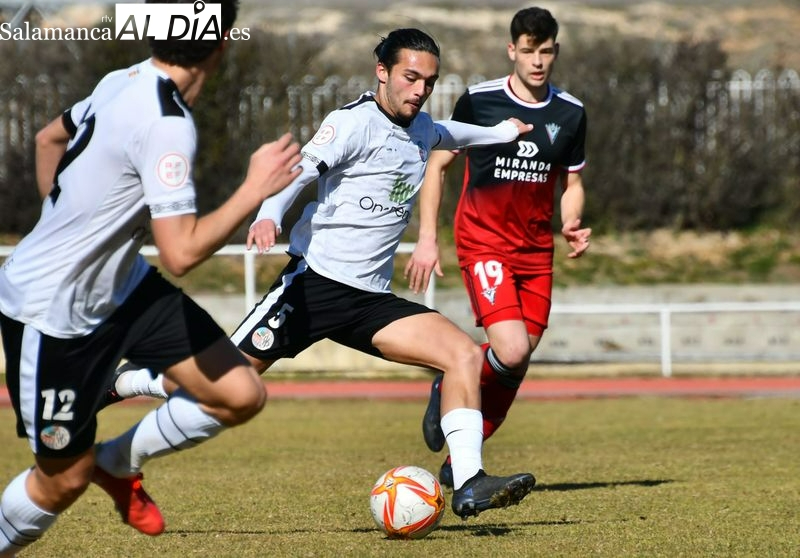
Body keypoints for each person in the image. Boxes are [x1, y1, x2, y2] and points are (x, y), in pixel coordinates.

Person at [101, 27, 537, 522]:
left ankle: (469, 481)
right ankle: (129, 381)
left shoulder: (421, 128)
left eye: (429, 83)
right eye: (410, 78)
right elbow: (302, 172)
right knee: (218, 386)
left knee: (460, 354)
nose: (419, 91)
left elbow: (451, 133)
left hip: (371, 301)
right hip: (314, 287)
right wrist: (269, 213)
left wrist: (501, 133)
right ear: (383, 72)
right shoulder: (352, 123)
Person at [0, 1, 303, 554]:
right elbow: (182, 253)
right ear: (221, 45)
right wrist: (254, 188)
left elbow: (48, 138)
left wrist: (65, 223)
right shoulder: (167, 124)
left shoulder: (122, 78)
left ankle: (117, 461)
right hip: (52, 311)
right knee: (62, 480)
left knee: (240, 392)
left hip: (123, 288)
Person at [405, 7, 591, 488]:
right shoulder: (480, 102)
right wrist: (428, 238)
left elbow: (572, 181)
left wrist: (571, 220)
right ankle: (453, 381)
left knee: (518, 357)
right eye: (528, 51)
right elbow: (437, 167)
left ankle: (460, 461)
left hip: (536, 251)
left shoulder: (570, 113)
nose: (537, 61)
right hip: (484, 241)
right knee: (508, 350)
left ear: (555, 52)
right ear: (512, 50)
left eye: (545, 51)